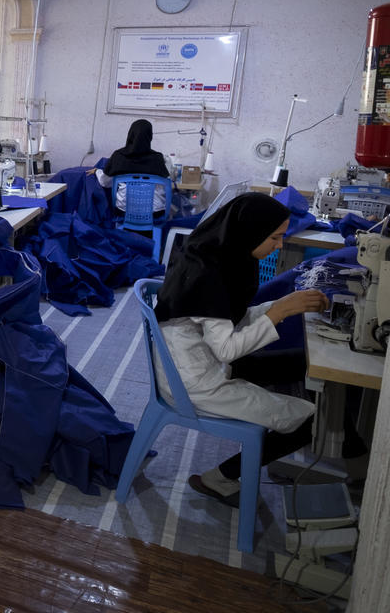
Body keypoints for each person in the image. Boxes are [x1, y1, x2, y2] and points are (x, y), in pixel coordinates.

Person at [155, 192, 328, 505]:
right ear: (249, 232)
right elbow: (227, 349)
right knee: (310, 422)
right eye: (274, 237)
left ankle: (349, 437)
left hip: (197, 360)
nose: (280, 245)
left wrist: (284, 303)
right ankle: (220, 477)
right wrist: (280, 311)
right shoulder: (208, 276)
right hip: (195, 383)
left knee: (299, 363)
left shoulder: (213, 256)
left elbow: (231, 317)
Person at [96, 118, 171, 212]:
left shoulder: (119, 156)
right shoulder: (157, 158)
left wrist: (97, 171)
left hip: (124, 211)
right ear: (150, 136)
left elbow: (104, 183)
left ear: (130, 134)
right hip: (155, 213)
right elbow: (166, 184)